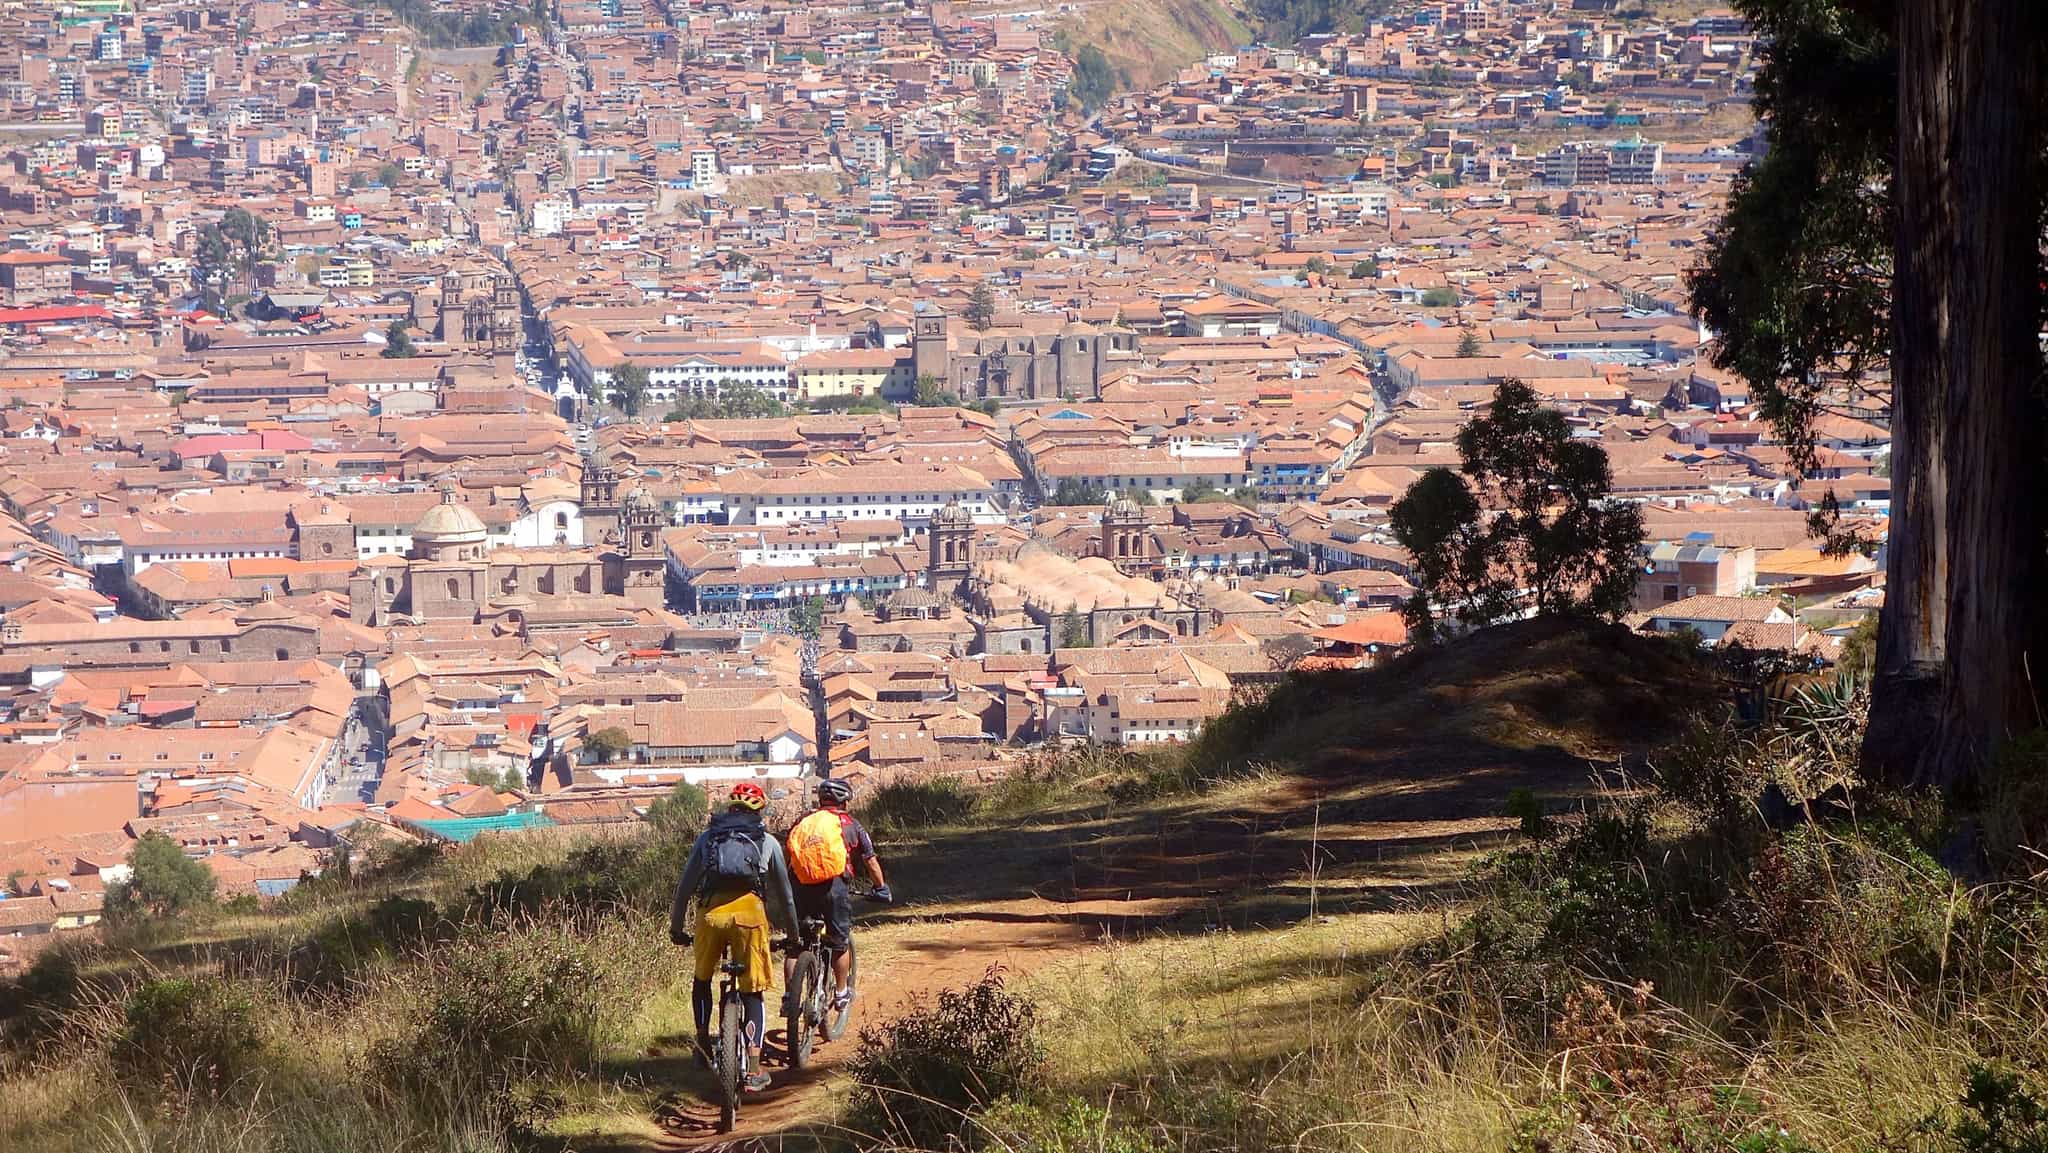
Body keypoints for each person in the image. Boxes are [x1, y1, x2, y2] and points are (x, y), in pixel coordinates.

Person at [669, 781, 801, 1093]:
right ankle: (755, 1069)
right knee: (753, 991)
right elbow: (785, 895)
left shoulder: (708, 838)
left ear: (729, 808)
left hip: (710, 917)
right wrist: (793, 934)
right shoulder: (766, 841)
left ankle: (702, 1047)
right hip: (750, 919)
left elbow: (685, 887)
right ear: (761, 811)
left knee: (702, 979)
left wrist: (677, 927)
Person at [783, 777, 890, 1014]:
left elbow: (789, 854)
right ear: (844, 801)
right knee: (840, 943)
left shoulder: (803, 821)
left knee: (795, 946)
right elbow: (869, 860)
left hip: (800, 887)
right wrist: (881, 888)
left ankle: (789, 997)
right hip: (834, 888)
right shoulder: (850, 824)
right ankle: (841, 993)